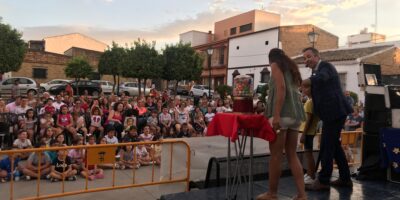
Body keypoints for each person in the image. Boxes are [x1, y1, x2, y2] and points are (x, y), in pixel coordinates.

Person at [301, 47, 353, 191]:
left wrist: (307, 80)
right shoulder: (316, 71)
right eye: (304, 58)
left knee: (326, 146)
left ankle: (323, 180)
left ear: (317, 56)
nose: (306, 60)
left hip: (335, 113)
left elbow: (322, 78)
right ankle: (345, 179)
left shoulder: (325, 67)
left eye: (308, 56)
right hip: (331, 114)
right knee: (334, 146)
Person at [257, 48, 306, 200]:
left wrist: (276, 114)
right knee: (292, 154)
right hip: (295, 115)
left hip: (283, 115)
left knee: (276, 156)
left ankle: (272, 193)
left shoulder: (275, 65)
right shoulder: (291, 68)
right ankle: (302, 194)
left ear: (271, 59)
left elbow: (281, 88)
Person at [299, 85, 319, 185]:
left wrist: (303, 134)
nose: (302, 89)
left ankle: (311, 175)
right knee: (308, 154)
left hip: (307, 132)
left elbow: (308, 120)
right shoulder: (313, 101)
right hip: (310, 132)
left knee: (308, 154)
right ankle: (310, 173)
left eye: (305, 87)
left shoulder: (310, 102)